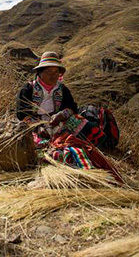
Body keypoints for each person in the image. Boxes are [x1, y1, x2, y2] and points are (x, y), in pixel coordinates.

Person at [16, 52, 122, 182]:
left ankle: (103, 146)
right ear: (40, 72)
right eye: (49, 71)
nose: (53, 75)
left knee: (83, 124)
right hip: (35, 124)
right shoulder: (28, 89)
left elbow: (72, 107)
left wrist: (61, 115)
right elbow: (21, 113)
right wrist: (39, 125)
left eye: (56, 72)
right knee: (42, 141)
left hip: (58, 122)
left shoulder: (62, 89)